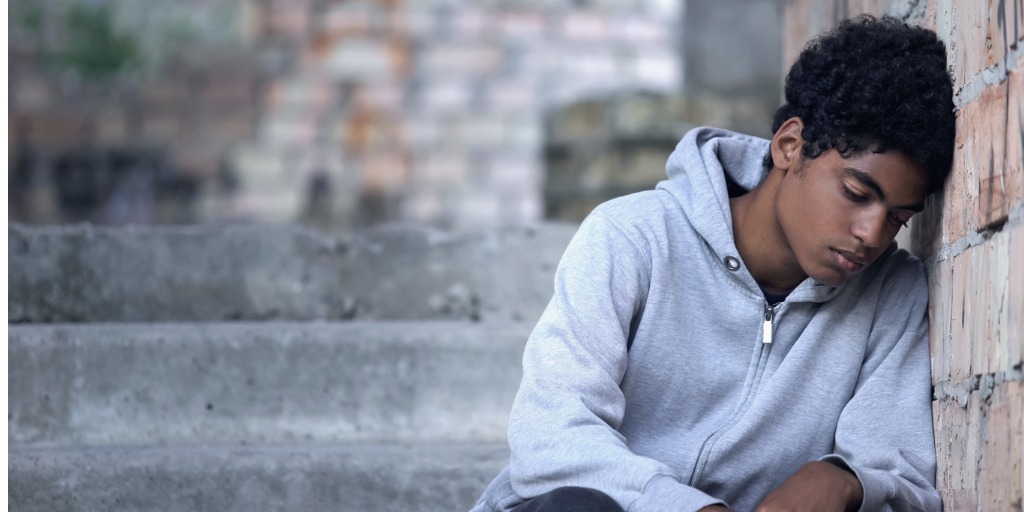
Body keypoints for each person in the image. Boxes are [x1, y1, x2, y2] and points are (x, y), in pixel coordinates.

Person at [471, 14, 954, 512]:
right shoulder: (632, 237)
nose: (871, 234)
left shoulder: (890, 294)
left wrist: (846, 480)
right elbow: (549, 436)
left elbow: (902, 477)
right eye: (856, 193)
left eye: (897, 218)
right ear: (790, 146)